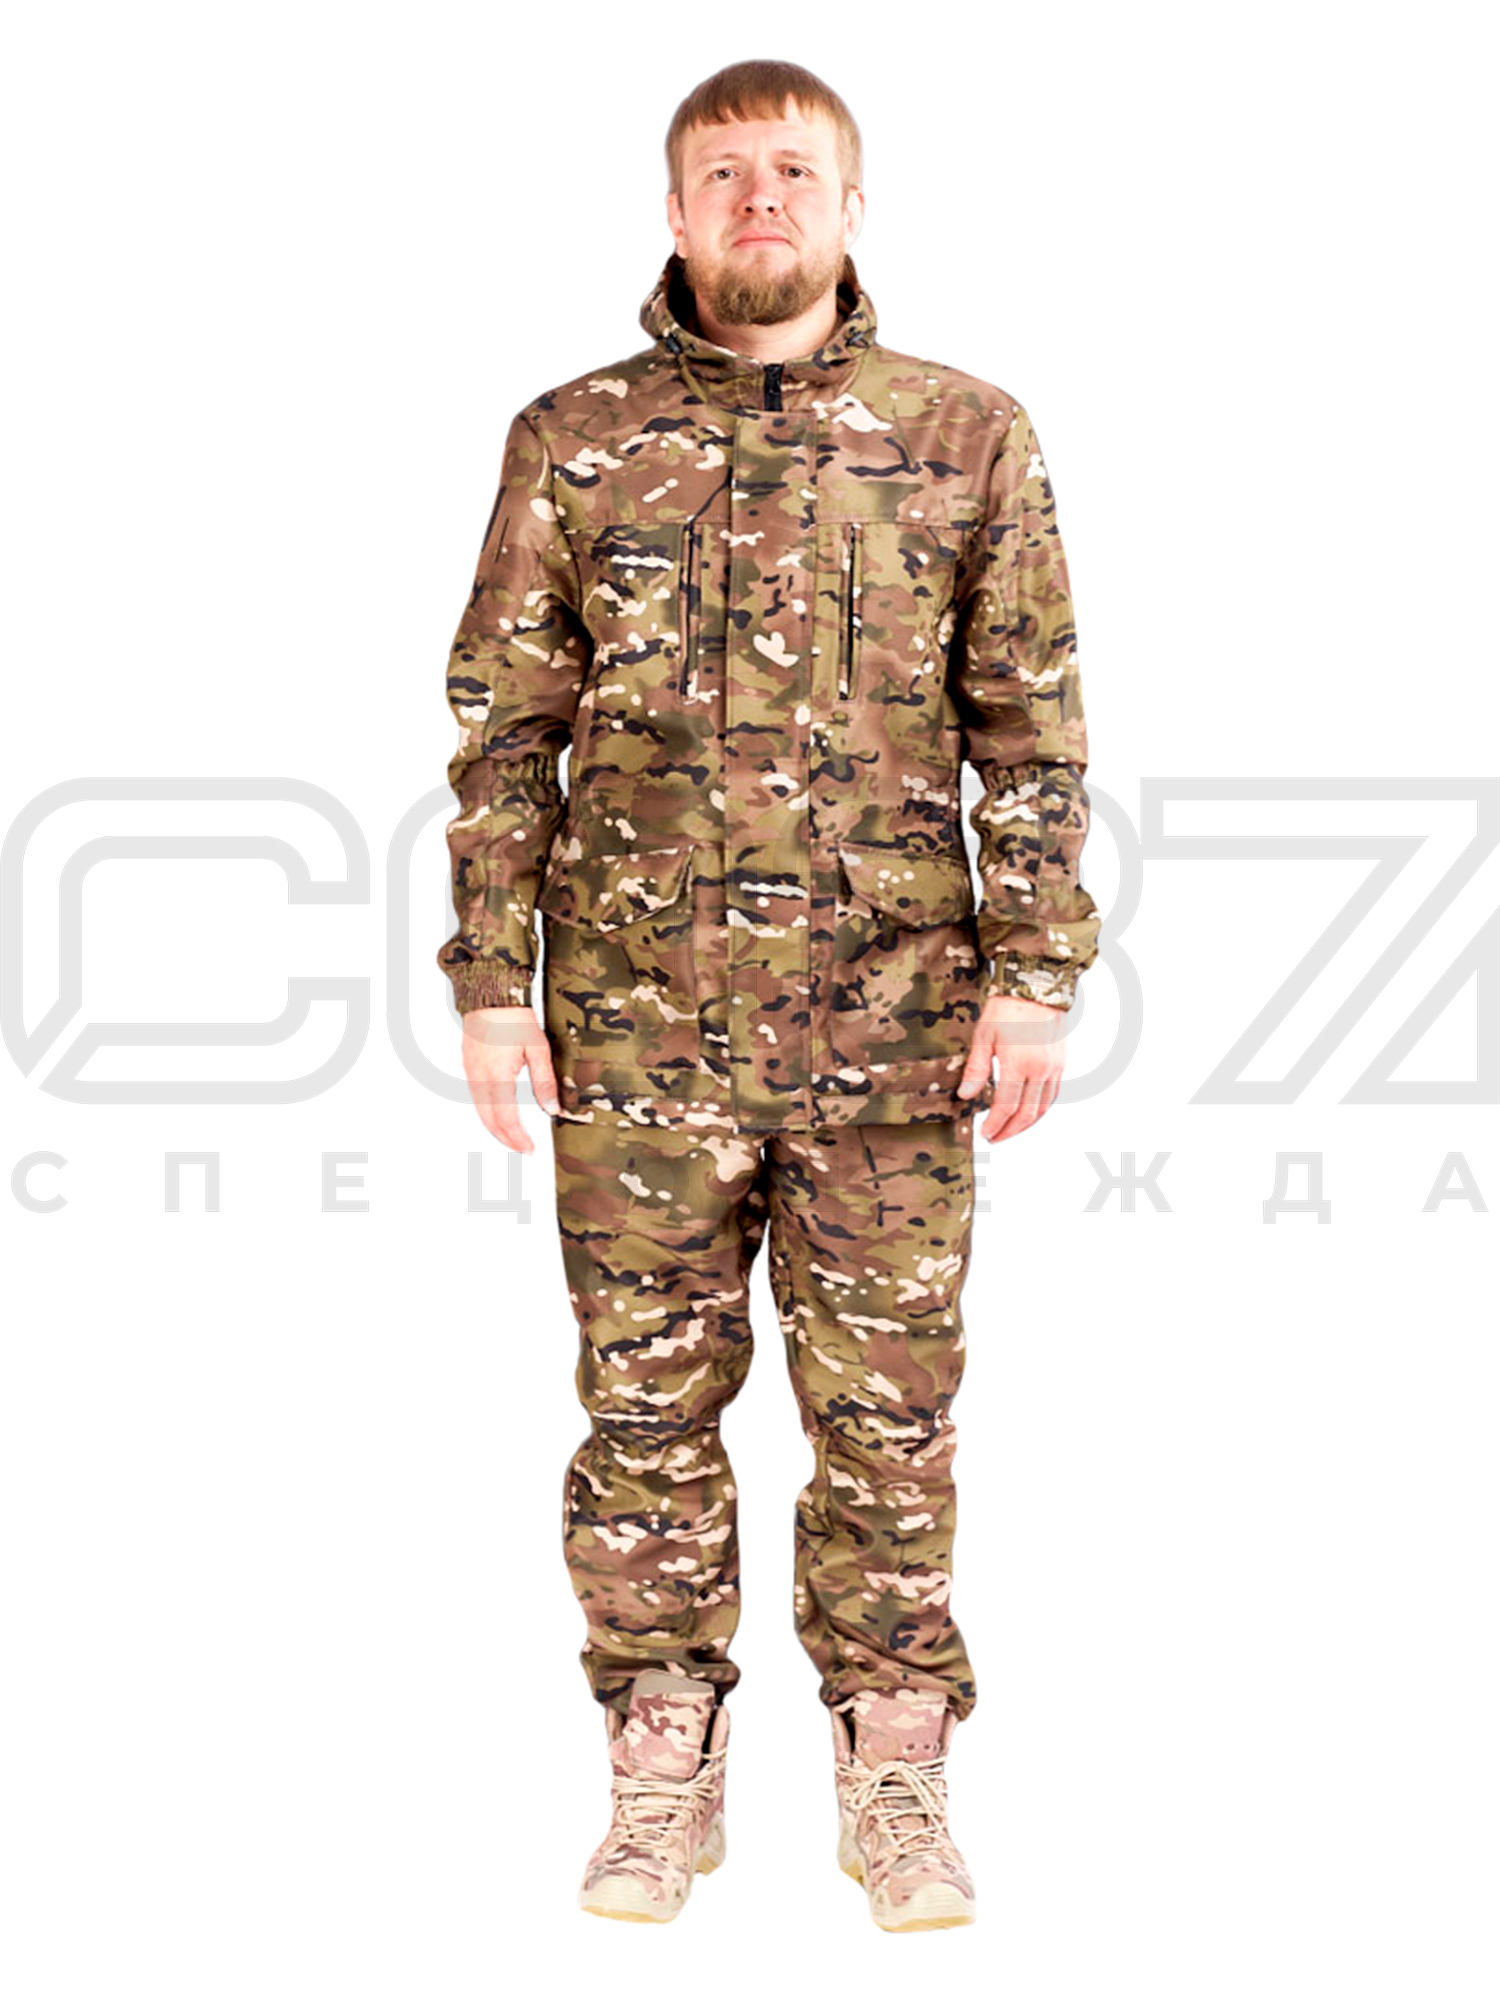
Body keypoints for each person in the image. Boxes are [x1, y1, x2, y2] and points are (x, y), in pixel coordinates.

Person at [437, 58, 1101, 1930]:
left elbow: (1031, 727)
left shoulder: (964, 434)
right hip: (636, 1027)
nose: (759, 201)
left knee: (891, 1413)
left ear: (849, 206)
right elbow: (506, 730)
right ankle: (662, 1763)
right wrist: (491, 980)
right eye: (723, 173)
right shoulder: (574, 439)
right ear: (674, 211)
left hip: (897, 1025)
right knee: (645, 1412)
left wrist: (1036, 972)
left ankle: (895, 1765)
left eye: (793, 172)